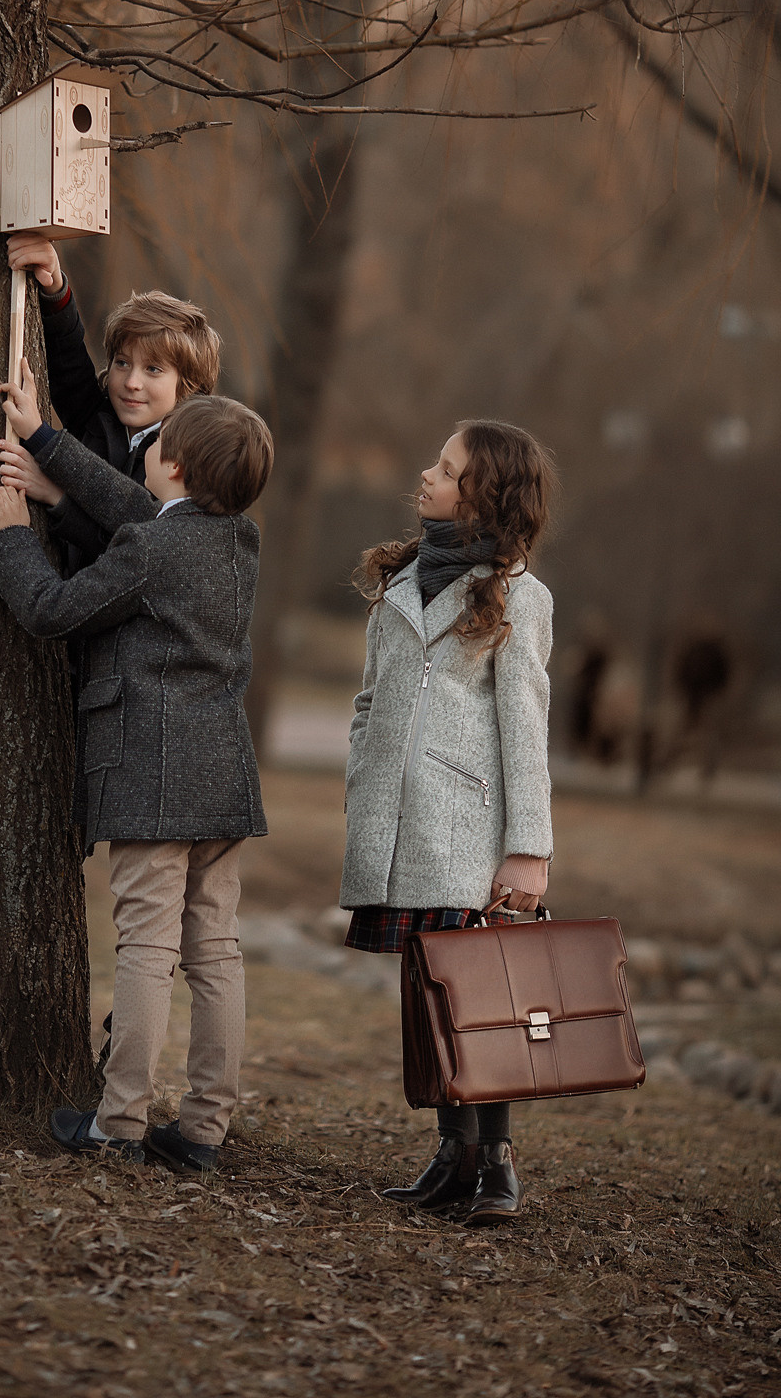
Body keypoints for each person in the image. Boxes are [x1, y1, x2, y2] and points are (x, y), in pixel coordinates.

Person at [0, 373, 274, 1172]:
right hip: (222, 775)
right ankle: (207, 1127)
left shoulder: (152, 549)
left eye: (156, 450)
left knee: (145, 947)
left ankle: (120, 1122)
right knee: (215, 952)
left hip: (152, 771)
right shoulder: (238, 542)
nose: (143, 456)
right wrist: (45, 441)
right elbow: (132, 505)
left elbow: (50, 610)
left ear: (173, 467)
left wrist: (12, 534)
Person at [341, 420, 556, 1225]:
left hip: (467, 826)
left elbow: (525, 730)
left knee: (479, 997)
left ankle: (496, 1163)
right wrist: (365, 765)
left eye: (446, 468)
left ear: (483, 495)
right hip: (396, 822)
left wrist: (528, 851)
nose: (425, 475)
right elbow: (369, 701)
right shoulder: (398, 586)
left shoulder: (518, 597)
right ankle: (451, 1152)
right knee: (428, 993)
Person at [2, 232, 220, 573]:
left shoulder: (181, 467)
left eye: (152, 369)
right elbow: (69, 363)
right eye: (122, 363)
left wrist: (56, 496)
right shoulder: (99, 418)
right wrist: (54, 287)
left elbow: (132, 545)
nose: (132, 382)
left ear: (187, 386)